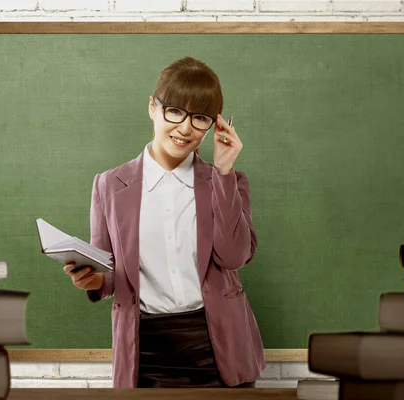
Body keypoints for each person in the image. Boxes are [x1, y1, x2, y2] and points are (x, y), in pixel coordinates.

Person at [63, 56, 266, 388]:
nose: (185, 128)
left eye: (199, 119)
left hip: (219, 348)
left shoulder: (228, 181)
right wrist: (93, 280)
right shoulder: (109, 185)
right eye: (175, 112)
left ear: (212, 126)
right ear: (152, 108)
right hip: (145, 351)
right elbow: (110, 273)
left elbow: (233, 257)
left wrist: (224, 172)